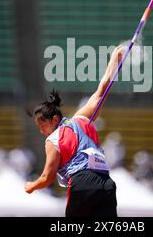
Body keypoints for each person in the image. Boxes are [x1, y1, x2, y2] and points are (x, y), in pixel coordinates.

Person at [24, 45, 124, 217]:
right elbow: (101, 92)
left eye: (42, 126)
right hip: (106, 183)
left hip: (83, 183)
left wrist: (31, 186)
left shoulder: (53, 140)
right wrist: (114, 61)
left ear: (54, 119)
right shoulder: (80, 119)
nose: (42, 132)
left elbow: (47, 177)